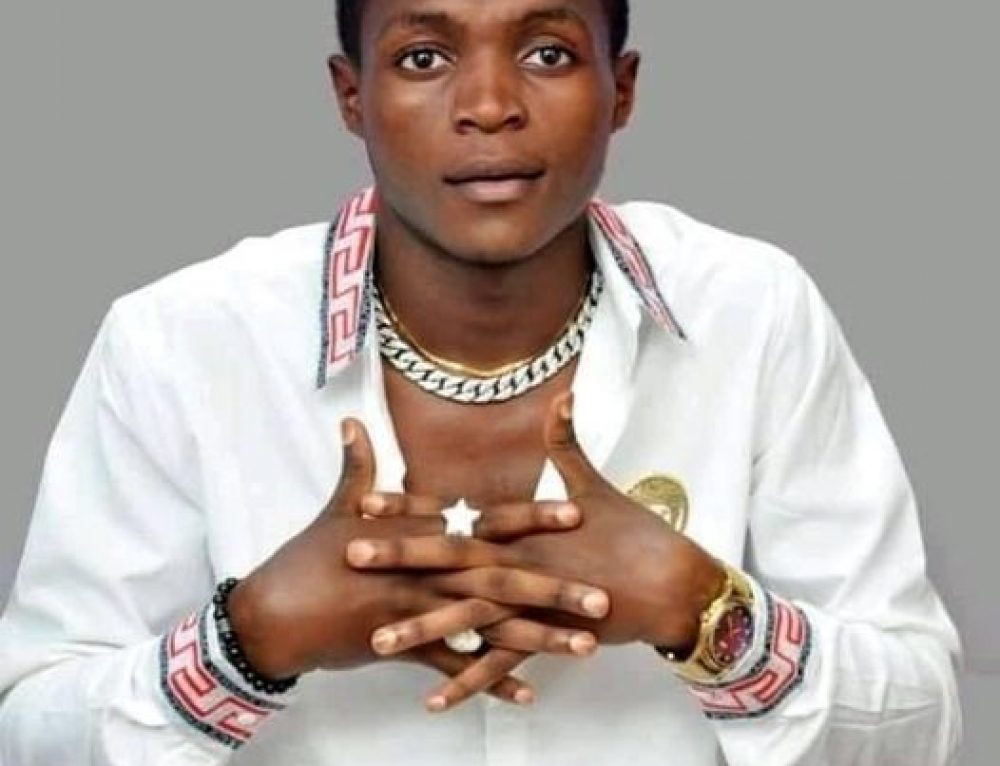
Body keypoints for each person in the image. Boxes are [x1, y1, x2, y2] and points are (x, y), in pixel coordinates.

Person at [0, 0, 962, 763]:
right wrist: (248, 640)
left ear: (622, 89)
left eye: (548, 52)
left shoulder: (753, 311)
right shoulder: (180, 342)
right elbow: (31, 726)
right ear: (351, 96)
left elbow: (925, 724)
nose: (491, 104)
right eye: (424, 57)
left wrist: (701, 607)